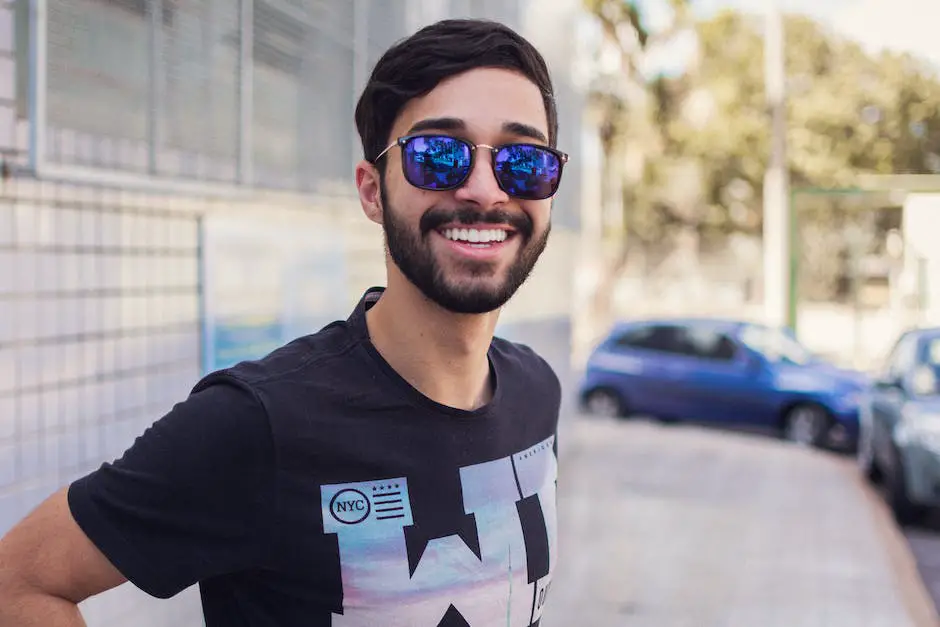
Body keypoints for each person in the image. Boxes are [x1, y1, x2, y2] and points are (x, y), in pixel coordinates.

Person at [0, 17, 567, 627]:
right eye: (438, 155)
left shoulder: (537, 392)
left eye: (523, 160)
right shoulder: (257, 422)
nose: (485, 189)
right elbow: (19, 585)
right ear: (372, 191)